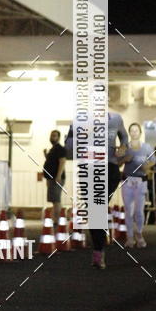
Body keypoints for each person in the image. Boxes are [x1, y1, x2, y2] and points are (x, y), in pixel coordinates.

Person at [65, 111, 128, 269]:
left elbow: (125, 137)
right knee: (94, 211)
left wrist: (123, 146)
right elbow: (68, 147)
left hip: (110, 168)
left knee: (97, 208)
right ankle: (98, 250)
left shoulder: (116, 118)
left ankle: (98, 251)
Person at [120, 123, 153, 248]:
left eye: (136, 130)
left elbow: (153, 161)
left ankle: (139, 234)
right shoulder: (124, 147)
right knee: (128, 211)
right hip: (127, 181)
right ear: (129, 133)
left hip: (141, 182)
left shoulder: (147, 147)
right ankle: (129, 238)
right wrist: (124, 160)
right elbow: (117, 163)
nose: (134, 133)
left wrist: (147, 166)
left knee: (139, 211)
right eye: (132, 130)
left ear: (140, 132)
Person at [42, 130, 67, 224]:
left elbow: (62, 162)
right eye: (51, 135)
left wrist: (58, 176)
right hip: (51, 178)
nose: (52, 137)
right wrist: (45, 155)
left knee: (56, 200)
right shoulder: (53, 149)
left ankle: (57, 221)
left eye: (54, 136)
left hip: (56, 178)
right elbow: (51, 162)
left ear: (58, 137)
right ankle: (56, 220)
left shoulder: (60, 149)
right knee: (54, 200)